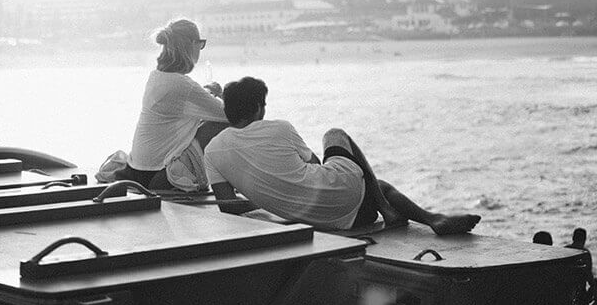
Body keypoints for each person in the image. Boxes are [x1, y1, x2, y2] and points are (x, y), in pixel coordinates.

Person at [204, 76, 481, 235]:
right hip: (349, 206)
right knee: (335, 135)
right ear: (256, 107)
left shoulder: (212, 151)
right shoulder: (279, 128)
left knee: (375, 186)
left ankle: (414, 214)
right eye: (262, 105)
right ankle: (423, 217)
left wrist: (264, 196)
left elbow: (227, 205)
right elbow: (313, 164)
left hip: (320, 221)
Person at [113, 18, 228, 191]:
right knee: (220, 125)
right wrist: (222, 95)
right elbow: (232, 115)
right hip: (160, 174)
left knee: (203, 122)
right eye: (200, 44)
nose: (201, 49)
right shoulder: (183, 85)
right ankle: (229, 189)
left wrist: (205, 97)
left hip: (137, 170)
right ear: (191, 45)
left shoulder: (156, 77)